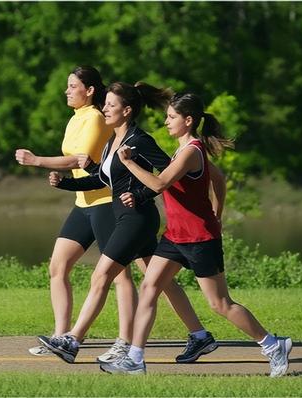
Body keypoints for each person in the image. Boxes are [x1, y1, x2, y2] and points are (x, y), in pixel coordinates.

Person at [99, 92, 292, 377]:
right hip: (175, 236)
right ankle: (135, 359)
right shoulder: (182, 150)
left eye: (172, 117)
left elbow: (160, 182)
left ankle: (273, 344)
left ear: (188, 121)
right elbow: (218, 179)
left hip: (200, 238)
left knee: (220, 304)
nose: (166, 122)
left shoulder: (191, 151)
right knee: (150, 288)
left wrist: (128, 163)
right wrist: (218, 210)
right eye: (167, 116)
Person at [38, 82, 219, 364]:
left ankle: (73, 340)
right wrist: (64, 183)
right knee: (161, 281)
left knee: (101, 275)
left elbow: (166, 176)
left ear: (127, 110)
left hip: (137, 219)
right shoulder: (114, 140)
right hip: (126, 216)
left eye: (110, 105)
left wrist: (141, 194)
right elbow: (104, 179)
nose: (105, 108)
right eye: (105, 104)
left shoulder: (140, 141)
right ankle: (199, 335)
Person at [15, 66, 138, 361]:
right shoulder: (76, 119)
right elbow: (77, 160)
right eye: (67, 86)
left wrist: (37, 160)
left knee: (119, 275)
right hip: (83, 203)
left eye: (73, 86)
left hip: (105, 203)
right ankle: (60, 336)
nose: (67, 91)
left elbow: (81, 158)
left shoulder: (96, 117)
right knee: (58, 267)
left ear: (90, 90)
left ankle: (125, 341)